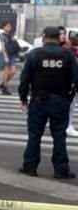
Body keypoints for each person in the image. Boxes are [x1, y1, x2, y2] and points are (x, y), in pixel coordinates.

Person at [18, 26, 78, 180]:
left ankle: (30, 166)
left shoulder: (34, 55)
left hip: (38, 100)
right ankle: (61, 170)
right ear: (59, 38)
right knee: (59, 135)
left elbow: (24, 79)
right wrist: (70, 97)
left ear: (44, 38)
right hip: (61, 101)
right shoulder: (68, 55)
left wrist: (23, 98)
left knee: (34, 135)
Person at [0, 21, 20, 96]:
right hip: (6, 54)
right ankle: (5, 88)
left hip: (12, 54)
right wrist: (5, 56)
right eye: (7, 26)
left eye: (10, 26)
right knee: (6, 71)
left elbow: (14, 44)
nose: (9, 28)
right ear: (3, 27)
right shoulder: (2, 35)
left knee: (13, 71)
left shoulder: (11, 35)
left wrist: (14, 40)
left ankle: (4, 83)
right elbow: (3, 47)